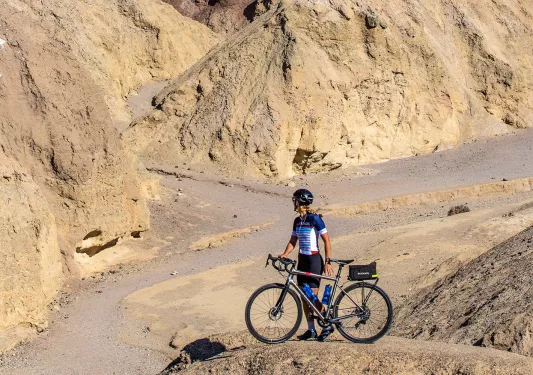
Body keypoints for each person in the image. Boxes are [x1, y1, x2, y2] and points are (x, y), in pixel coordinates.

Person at [280, 188, 334, 342]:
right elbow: (293, 241)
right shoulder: (297, 221)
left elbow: (327, 240)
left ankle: (327, 324)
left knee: (311, 297)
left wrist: (328, 261)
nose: (294, 202)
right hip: (302, 261)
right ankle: (311, 330)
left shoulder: (314, 219)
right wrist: (285, 254)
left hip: (313, 261)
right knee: (304, 297)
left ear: (301, 201)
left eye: (295, 200)